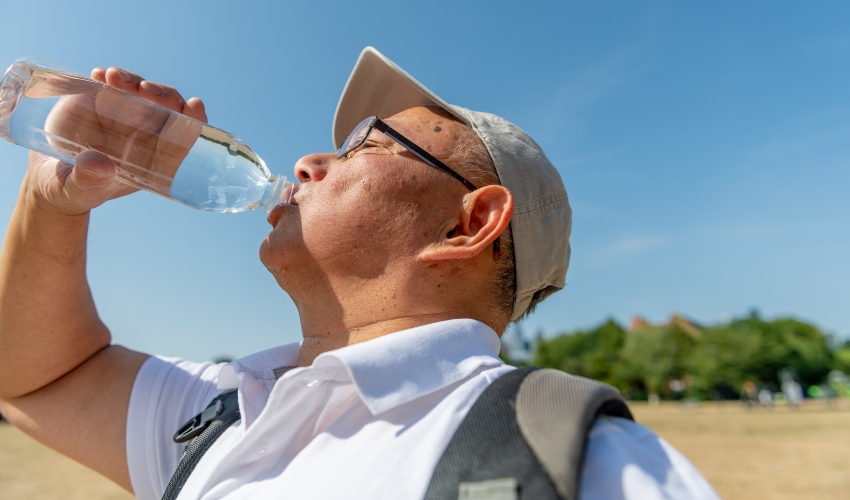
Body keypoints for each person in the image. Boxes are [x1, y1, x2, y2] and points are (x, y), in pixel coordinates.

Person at [0, 47, 718, 499]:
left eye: (369, 146)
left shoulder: (572, 462)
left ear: (468, 225)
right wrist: (51, 202)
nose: (311, 161)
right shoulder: (223, 412)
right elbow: (30, 378)